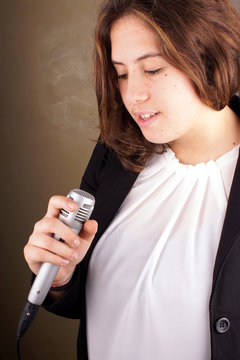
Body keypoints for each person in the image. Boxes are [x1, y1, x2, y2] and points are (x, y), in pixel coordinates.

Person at [24, 0, 240, 359]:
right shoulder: (115, 155)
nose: (133, 95)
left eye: (152, 69)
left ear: (209, 56)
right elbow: (83, 301)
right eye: (121, 73)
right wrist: (60, 277)